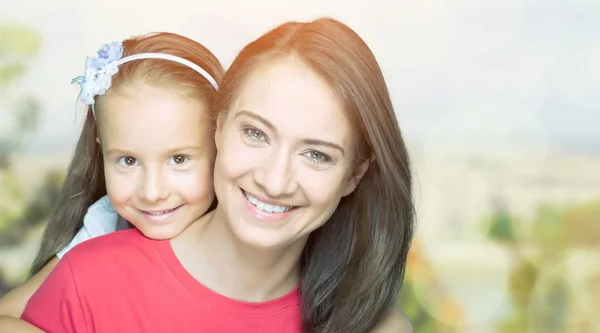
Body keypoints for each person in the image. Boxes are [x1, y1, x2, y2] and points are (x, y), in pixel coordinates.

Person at [21, 18, 415, 332]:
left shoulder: (378, 327)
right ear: (218, 128)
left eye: (316, 154)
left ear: (354, 175)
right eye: (256, 133)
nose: (275, 181)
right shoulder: (88, 282)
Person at [0, 32, 224, 329]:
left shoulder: (247, 230)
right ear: (100, 146)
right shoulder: (106, 222)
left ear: (221, 145)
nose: (152, 192)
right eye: (128, 161)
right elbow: (8, 315)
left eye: (178, 159)